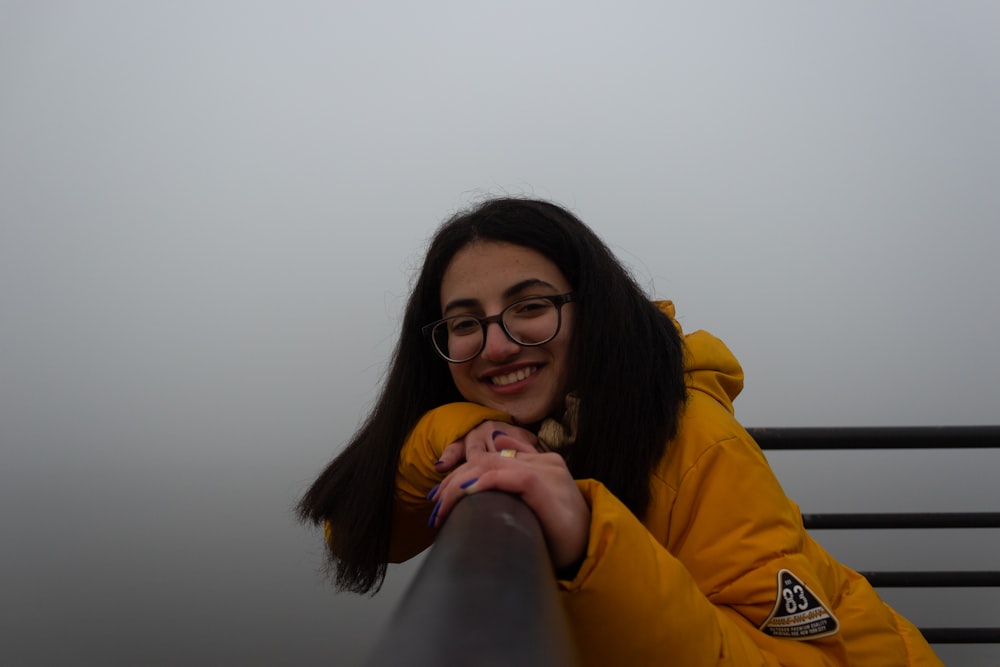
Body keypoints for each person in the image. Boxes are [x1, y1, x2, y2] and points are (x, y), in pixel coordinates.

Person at [298, 197, 942, 666]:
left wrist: (588, 546)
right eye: (466, 323)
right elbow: (356, 533)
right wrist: (453, 427)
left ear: (593, 309)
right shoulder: (534, 423)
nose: (496, 345)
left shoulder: (695, 441)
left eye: (530, 307)